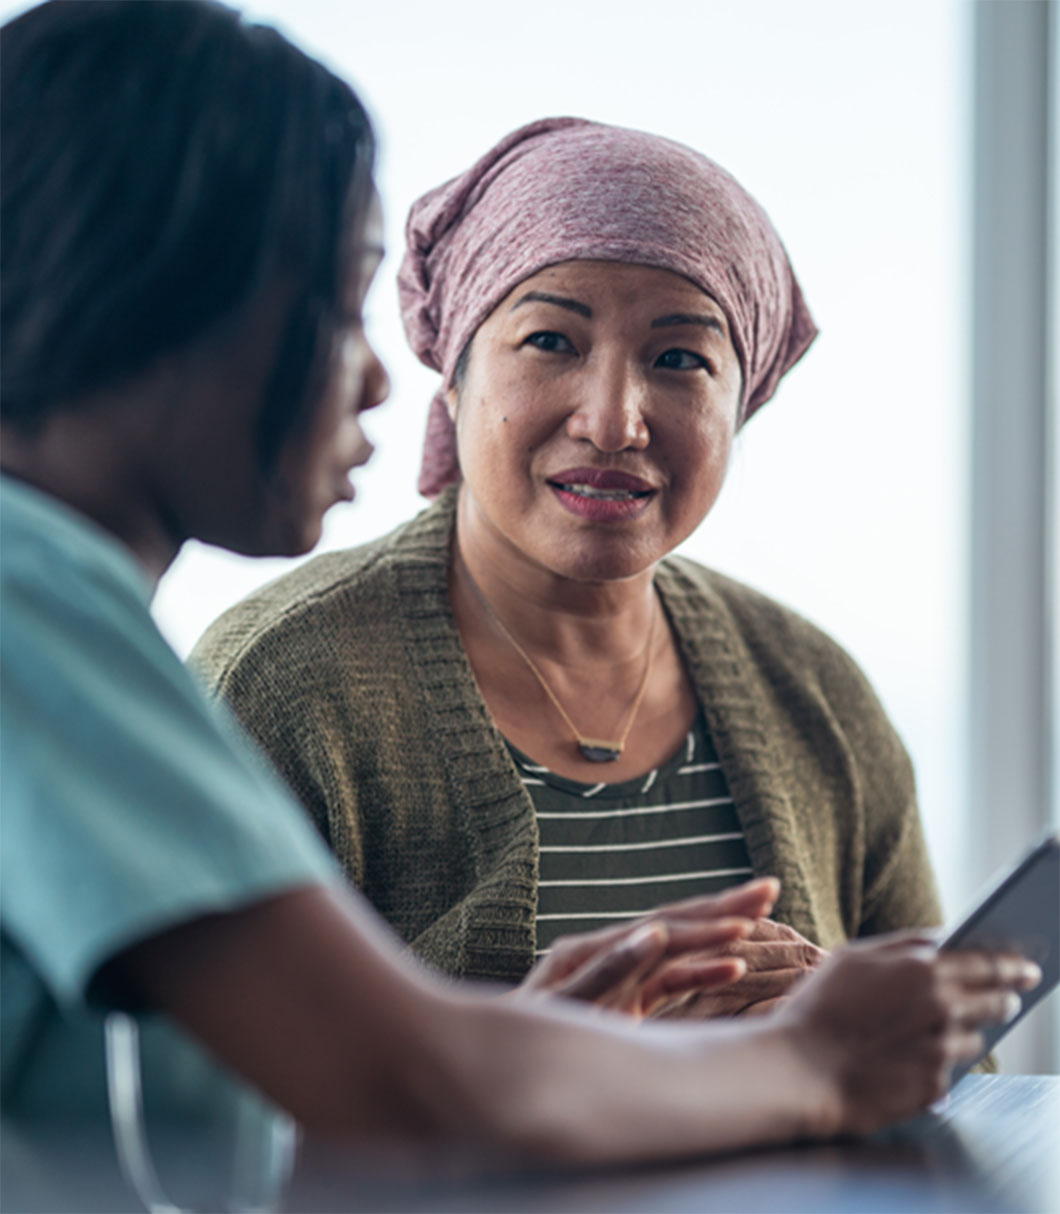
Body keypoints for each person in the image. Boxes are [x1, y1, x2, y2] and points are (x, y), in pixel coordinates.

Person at [0, 2, 1036, 1206]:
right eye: (341, 301)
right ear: (160, 283)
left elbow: (258, 1125)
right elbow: (404, 1080)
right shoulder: (37, 602)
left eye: (682, 358)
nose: (384, 372)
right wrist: (807, 1053)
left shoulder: (806, 677)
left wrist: (534, 1053)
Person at [193, 117, 940, 1013]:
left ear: (742, 407)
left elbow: (963, 1063)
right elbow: (193, 1109)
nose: (614, 420)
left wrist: (858, 1031)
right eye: (552, 341)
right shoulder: (280, 685)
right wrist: (591, 1065)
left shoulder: (815, 692)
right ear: (456, 371)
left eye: (680, 359)